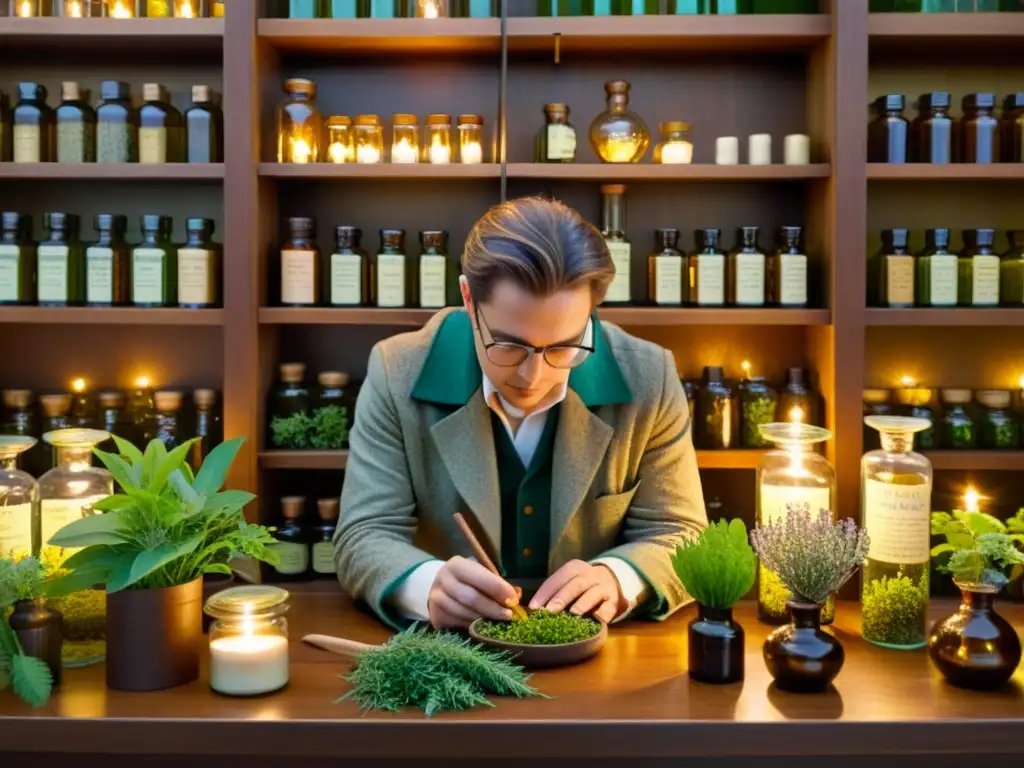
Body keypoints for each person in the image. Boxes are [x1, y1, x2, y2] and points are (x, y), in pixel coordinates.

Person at [334, 196, 707, 630]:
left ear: (591, 312)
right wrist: (427, 586)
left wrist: (618, 577)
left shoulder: (649, 376)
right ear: (469, 299)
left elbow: (682, 532)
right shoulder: (396, 371)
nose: (534, 376)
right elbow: (363, 534)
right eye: (509, 345)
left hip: (600, 653)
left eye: (563, 346)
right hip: (451, 653)